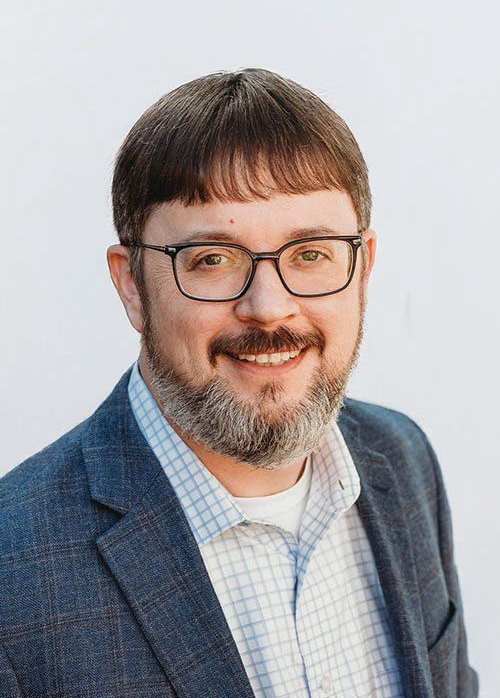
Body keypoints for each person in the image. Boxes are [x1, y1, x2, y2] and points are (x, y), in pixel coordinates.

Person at [0, 68, 478, 698]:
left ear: (362, 268)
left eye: (311, 253)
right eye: (213, 260)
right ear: (131, 286)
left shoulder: (404, 459)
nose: (270, 308)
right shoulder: (14, 570)